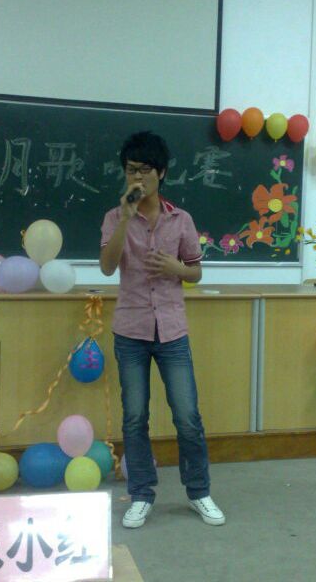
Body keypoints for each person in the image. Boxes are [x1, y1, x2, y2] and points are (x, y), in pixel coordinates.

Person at [100, 131, 225, 529]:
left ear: (162, 173)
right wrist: (124, 217)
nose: (137, 177)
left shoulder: (180, 220)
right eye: (130, 170)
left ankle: (199, 492)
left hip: (171, 330)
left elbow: (196, 272)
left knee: (187, 416)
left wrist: (176, 269)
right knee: (135, 417)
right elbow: (107, 266)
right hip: (131, 330)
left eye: (144, 170)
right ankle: (141, 494)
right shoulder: (114, 217)